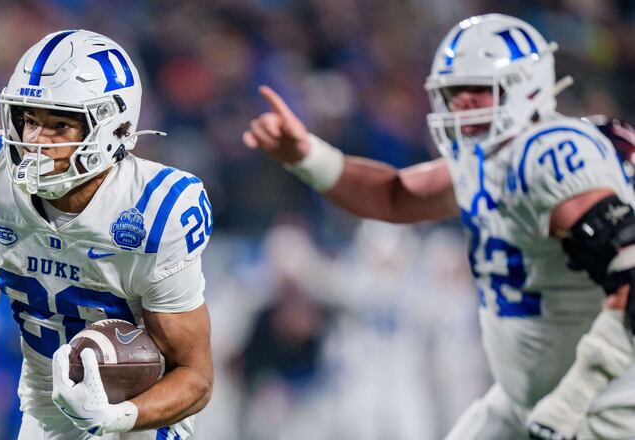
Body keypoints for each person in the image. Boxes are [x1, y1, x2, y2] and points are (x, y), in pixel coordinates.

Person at [243, 13, 635, 440]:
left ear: (528, 87)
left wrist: (572, 400)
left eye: (478, 90)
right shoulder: (493, 159)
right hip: (525, 399)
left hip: (599, 406)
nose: (462, 102)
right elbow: (392, 196)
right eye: (453, 91)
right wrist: (307, 155)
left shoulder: (549, 156)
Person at [0, 30, 214, 440]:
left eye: (60, 124)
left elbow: (195, 376)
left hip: (142, 408)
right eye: (29, 119)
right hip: (48, 405)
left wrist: (114, 418)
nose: (34, 140)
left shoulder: (158, 208)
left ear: (112, 128)